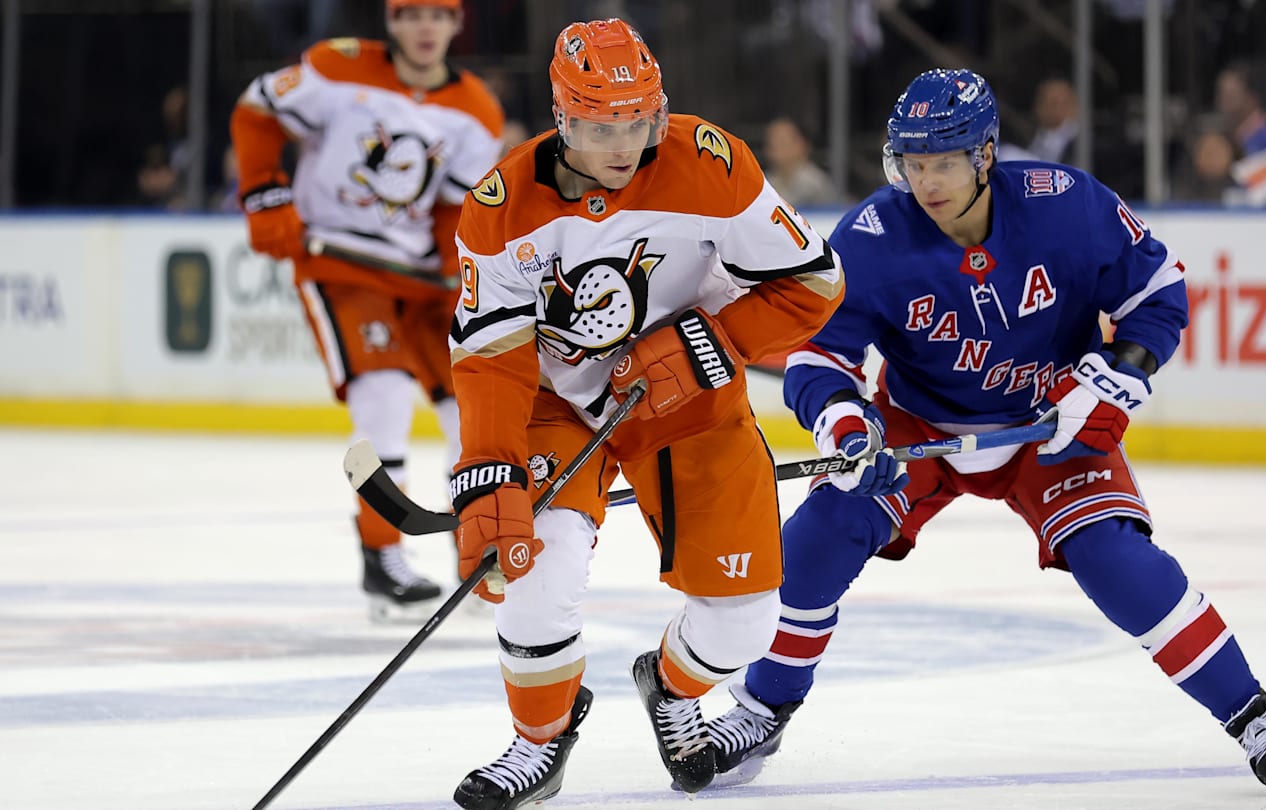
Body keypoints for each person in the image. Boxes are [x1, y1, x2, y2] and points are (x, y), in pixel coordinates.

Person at [707, 68, 1266, 798]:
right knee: (819, 533)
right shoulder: (875, 234)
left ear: (985, 154)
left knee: (1114, 557)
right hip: (918, 426)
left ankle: (1252, 712)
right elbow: (820, 353)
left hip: (1049, 424)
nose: (926, 181)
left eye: (943, 161)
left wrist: (1110, 379)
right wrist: (848, 423)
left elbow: (1158, 292)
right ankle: (764, 706)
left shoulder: (1065, 206)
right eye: (912, 163)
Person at [444, 17, 842, 810]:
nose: (624, 144)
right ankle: (539, 740)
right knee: (535, 571)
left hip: (690, 402)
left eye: (639, 121)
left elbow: (815, 284)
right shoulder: (500, 206)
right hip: (558, 405)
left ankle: (670, 686)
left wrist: (713, 341)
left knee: (745, 623)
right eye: (599, 126)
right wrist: (488, 469)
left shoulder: (711, 166)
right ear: (562, 118)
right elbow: (491, 356)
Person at [230, 0, 506, 621]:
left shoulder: (476, 109)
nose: (425, 28)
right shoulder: (337, 68)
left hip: (420, 279)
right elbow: (257, 108)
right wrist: (265, 194)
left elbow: (458, 206)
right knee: (381, 394)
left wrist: (454, 262)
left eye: (439, 15)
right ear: (392, 23)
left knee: (473, 405)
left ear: (457, 24)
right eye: (411, 15)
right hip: (340, 264)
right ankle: (381, 554)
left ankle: (478, 548)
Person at [762, 116, 845, 207]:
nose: (775, 146)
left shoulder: (814, 183)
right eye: (771, 141)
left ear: (803, 144)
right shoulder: (766, 181)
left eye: (782, 142)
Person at [1215, 61, 1266, 157]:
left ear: (1252, 97)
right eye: (1221, 93)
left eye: (1231, 95)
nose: (1223, 102)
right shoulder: (1227, 136)